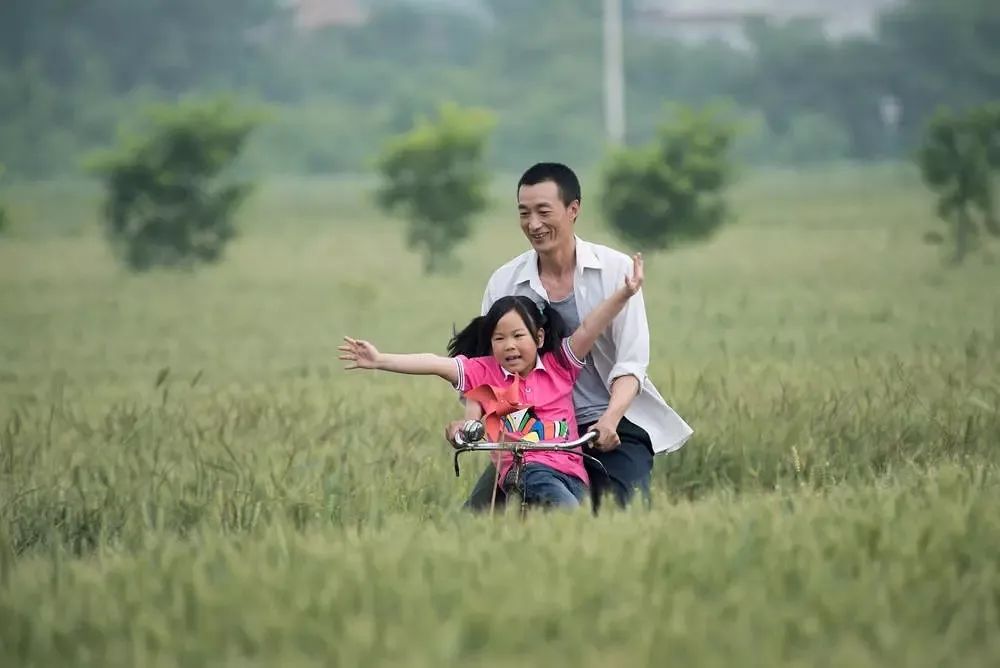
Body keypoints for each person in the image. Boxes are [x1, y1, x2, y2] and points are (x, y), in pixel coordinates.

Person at [446, 162, 693, 512]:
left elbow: (631, 364)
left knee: (627, 514)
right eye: (524, 213)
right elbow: (483, 370)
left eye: (544, 212)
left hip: (609, 424)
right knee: (478, 517)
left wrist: (609, 419)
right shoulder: (504, 282)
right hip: (535, 432)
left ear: (573, 209)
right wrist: (474, 425)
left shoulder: (616, 272)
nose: (533, 224)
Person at [339, 254, 645, 509]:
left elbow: (591, 326)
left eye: (517, 336)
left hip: (571, 471)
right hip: (526, 471)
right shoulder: (484, 372)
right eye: (499, 338)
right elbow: (433, 363)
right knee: (561, 517)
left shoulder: (560, 365)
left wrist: (625, 293)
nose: (509, 346)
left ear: (538, 337)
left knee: (573, 522)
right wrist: (380, 360)